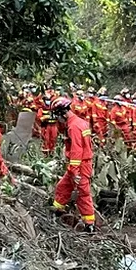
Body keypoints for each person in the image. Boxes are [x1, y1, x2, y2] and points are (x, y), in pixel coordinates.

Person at [51, 98, 96, 231]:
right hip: (78, 165)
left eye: (57, 115)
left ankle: (89, 225)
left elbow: (77, 150)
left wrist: (75, 172)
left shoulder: (74, 127)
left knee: (83, 195)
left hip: (80, 166)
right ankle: (57, 213)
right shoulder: (80, 122)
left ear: (62, 113)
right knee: (62, 187)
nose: (57, 119)